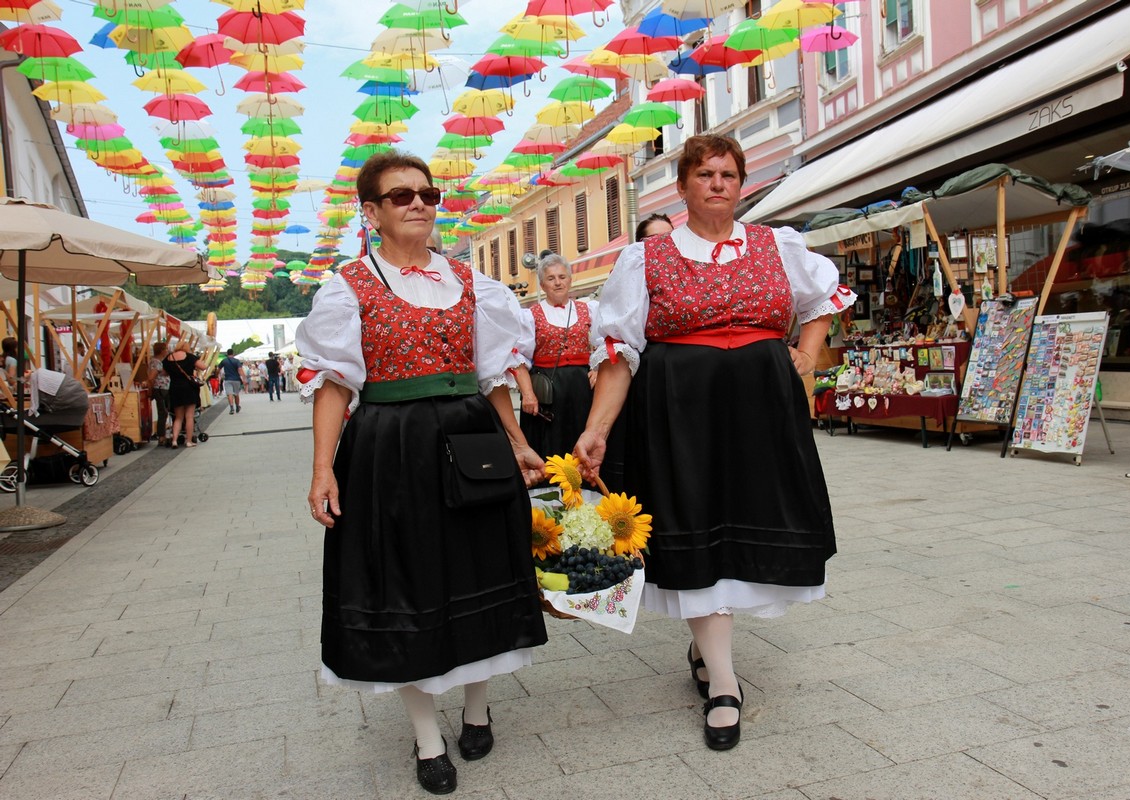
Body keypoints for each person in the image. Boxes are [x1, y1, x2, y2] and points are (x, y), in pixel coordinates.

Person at [574, 134, 852, 753]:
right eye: (705, 174)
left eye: (729, 174)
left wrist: (805, 358)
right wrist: (595, 430)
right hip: (680, 413)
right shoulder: (645, 259)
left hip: (761, 409)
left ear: (742, 183)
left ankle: (707, 648)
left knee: (747, 525)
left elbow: (822, 300)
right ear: (683, 187)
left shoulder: (778, 245)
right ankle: (724, 683)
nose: (718, 183)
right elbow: (620, 353)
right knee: (698, 530)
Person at [296, 150, 548, 796]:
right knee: (403, 581)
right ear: (372, 211)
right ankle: (427, 736)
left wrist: (517, 440)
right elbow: (334, 385)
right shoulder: (348, 286)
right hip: (389, 448)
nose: (418, 204)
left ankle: (476, 706)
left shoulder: (473, 284)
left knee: (483, 566)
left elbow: (492, 375)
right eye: (402, 195)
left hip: (471, 437)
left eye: (427, 194)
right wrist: (323, 467)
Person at [514, 252, 597, 462]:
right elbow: (519, 359)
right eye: (551, 278)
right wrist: (528, 394)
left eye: (562, 277)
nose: (557, 283)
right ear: (542, 285)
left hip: (581, 388)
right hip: (547, 390)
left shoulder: (589, 310)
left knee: (582, 438)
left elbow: (605, 344)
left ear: (570, 280)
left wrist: (598, 369)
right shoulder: (530, 315)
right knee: (549, 446)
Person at [163, 341, 205, 448]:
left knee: (178, 417)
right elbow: (203, 367)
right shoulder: (190, 357)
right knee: (189, 416)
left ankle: (174, 440)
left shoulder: (168, 358)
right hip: (188, 388)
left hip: (175, 388)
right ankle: (189, 441)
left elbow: (163, 373)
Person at [146, 341, 171, 445]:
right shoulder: (156, 362)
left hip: (162, 388)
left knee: (164, 411)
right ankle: (161, 436)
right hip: (160, 388)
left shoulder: (159, 361)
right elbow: (151, 377)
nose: (167, 351)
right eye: (166, 349)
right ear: (161, 351)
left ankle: (162, 434)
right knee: (163, 412)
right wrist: (150, 390)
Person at [220, 349, 246, 414]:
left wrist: (217, 375)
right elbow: (240, 369)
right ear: (233, 353)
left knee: (229, 394)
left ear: (227, 353)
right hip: (236, 380)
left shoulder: (224, 361)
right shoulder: (237, 361)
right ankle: (237, 406)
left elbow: (218, 369)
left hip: (228, 379)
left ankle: (231, 407)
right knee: (236, 394)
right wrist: (244, 378)